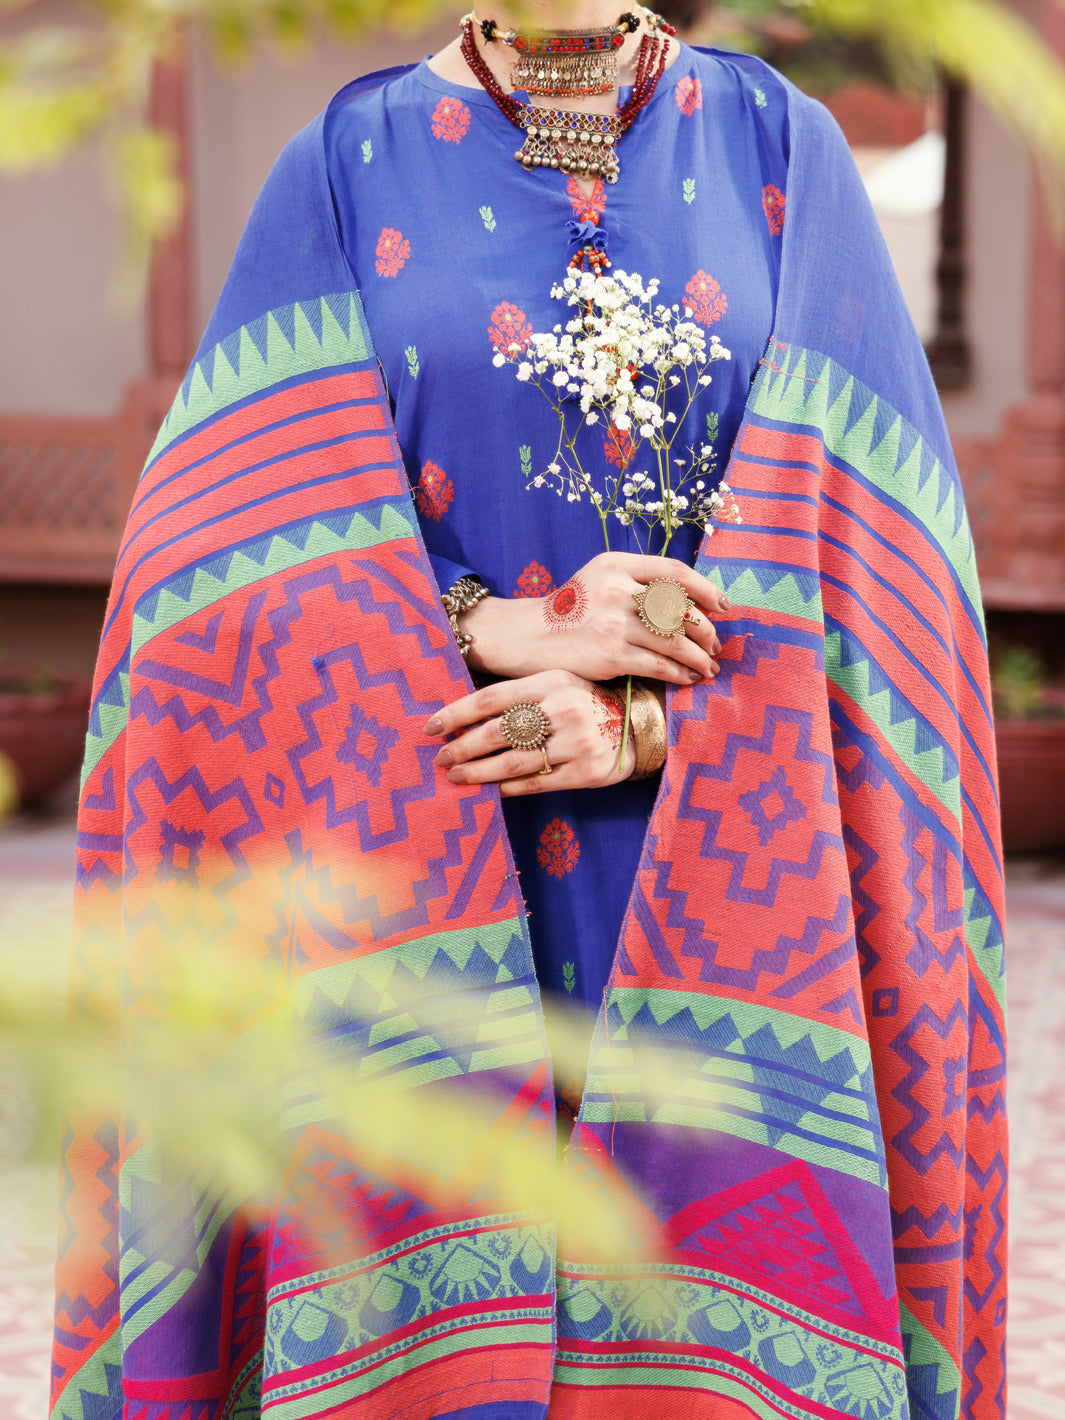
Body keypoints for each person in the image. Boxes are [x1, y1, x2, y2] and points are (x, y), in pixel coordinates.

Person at [52, 5, 1007, 1419]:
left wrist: (646, 727)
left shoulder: (782, 156)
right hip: (424, 850)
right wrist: (487, 624)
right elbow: (198, 590)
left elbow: (893, 589)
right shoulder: (343, 168)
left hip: (727, 875)